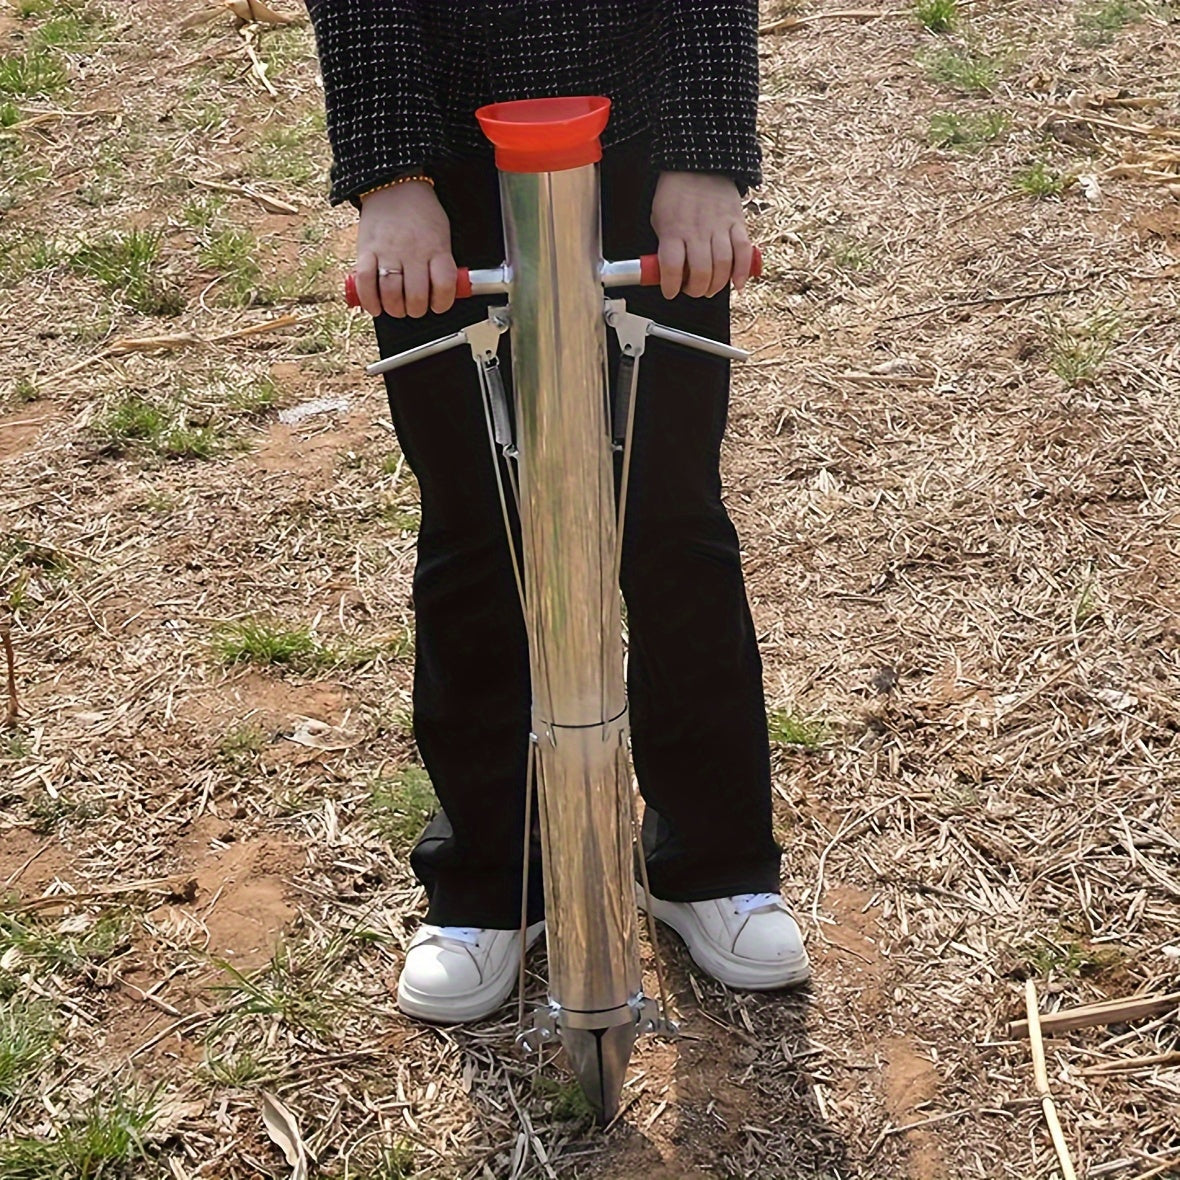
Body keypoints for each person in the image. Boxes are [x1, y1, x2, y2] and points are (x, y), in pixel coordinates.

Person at [304, 0, 811, 1023]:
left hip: (645, 142)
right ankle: (492, 879)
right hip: (442, 160)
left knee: (671, 518)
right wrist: (391, 178)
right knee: (472, 524)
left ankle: (710, 864)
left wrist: (704, 154)